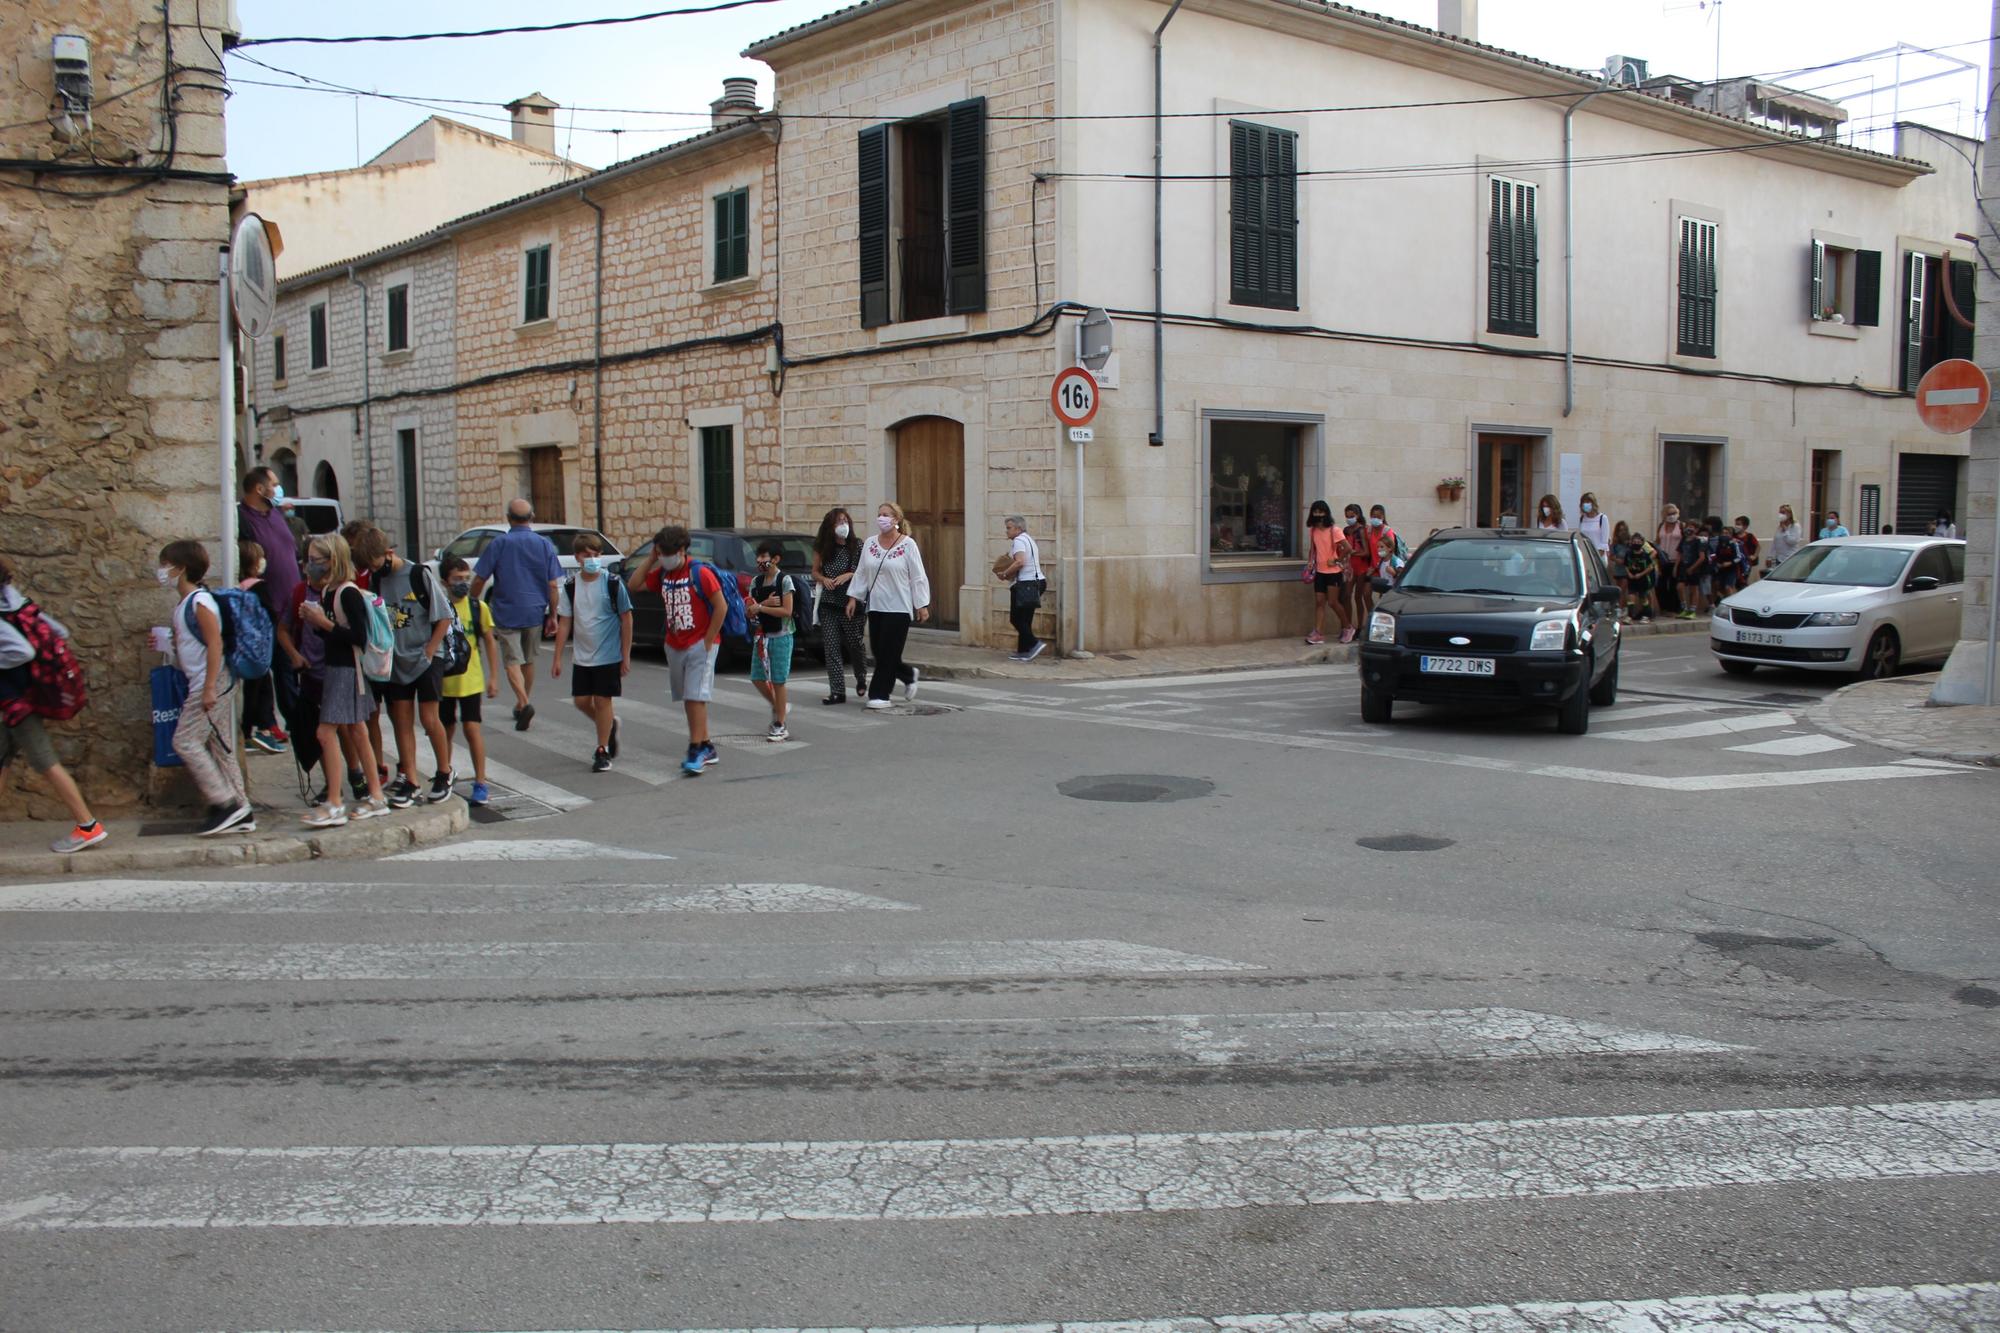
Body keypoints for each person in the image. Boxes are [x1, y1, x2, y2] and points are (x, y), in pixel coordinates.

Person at [0, 556, 106, 853]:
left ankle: (87, 825)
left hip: (19, 703)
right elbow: (60, 632)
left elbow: (21, 651)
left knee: (45, 761)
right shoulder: (18, 603)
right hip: (25, 697)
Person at [349, 526, 454, 807]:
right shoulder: (376, 580)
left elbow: (444, 616)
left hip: (425, 656)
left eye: (375, 564)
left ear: (388, 553)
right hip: (396, 660)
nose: (374, 570)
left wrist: (430, 651)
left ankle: (444, 772)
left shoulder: (418, 574)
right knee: (402, 721)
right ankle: (411, 780)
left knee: (430, 718)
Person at [159, 540, 254, 837]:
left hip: (210, 683)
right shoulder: (188, 603)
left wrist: (209, 687)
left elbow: (216, 643)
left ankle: (225, 803)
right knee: (222, 746)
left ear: (181, 568)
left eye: (165, 565)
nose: (162, 571)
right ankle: (242, 808)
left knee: (185, 741)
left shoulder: (200, 602)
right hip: (206, 682)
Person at [298, 533, 389, 827]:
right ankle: (376, 796)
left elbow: (358, 638)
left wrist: (323, 623)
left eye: (316, 560)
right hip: (337, 667)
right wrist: (315, 622)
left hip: (346, 670)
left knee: (326, 733)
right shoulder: (327, 592)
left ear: (332, 561)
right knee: (357, 730)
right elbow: (332, 635)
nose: (310, 566)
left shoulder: (347, 593)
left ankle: (335, 801)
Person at [630, 524, 728, 776]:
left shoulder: (700, 573)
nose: (664, 557)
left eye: (666, 552)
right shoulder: (663, 573)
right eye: (660, 552)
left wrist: (708, 639)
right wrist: (651, 558)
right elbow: (634, 584)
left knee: (696, 696)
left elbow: (721, 606)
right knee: (688, 697)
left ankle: (695, 749)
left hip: (699, 643)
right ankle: (705, 744)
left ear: (682, 550)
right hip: (675, 643)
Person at [470, 499, 563, 732]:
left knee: (512, 659)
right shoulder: (544, 545)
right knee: (529, 659)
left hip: (506, 609)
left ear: (509, 518)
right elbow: (553, 584)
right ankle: (522, 703)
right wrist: (553, 614)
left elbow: (480, 578)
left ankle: (524, 702)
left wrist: (471, 602)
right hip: (534, 610)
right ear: (531, 517)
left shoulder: (499, 543)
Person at [552, 532, 633, 774]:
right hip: (582, 655)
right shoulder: (570, 586)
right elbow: (565, 621)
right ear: (577, 557)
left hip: (608, 655)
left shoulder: (613, 583)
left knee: (602, 700)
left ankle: (602, 749)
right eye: (586, 555)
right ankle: (609, 726)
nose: (592, 559)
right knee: (581, 702)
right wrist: (557, 657)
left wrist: (625, 654)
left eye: (596, 554)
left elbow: (626, 618)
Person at [237, 466, 303, 748]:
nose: (278, 489)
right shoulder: (242, 519)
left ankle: (291, 722)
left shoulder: (275, 514)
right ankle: (285, 724)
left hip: (292, 605)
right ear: (259, 489)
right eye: (274, 484)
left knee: (293, 668)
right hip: (268, 608)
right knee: (281, 669)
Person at [846, 502, 930, 711]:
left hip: (899, 607)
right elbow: (862, 572)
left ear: (896, 520)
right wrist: (853, 597)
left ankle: (880, 694)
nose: (881, 518)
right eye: (879, 514)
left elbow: (917, 576)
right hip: (876, 606)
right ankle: (907, 674)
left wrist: (921, 604)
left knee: (888, 651)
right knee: (879, 651)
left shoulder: (907, 544)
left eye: (886, 515)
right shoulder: (870, 543)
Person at [438, 556, 499, 805]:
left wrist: (493, 676)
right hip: (444, 681)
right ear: (444, 582)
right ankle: (444, 773)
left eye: (466, 579)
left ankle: (481, 782)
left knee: (472, 728)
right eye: (457, 579)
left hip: (471, 680)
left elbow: (489, 641)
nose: (462, 583)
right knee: (445, 730)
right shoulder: (439, 608)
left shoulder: (478, 607)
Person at [234, 540, 289, 756]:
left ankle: (254, 730)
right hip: (261, 649)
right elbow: (269, 615)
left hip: (246, 648)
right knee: (262, 690)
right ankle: (259, 731)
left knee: (254, 690)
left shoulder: (238, 588)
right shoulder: (259, 587)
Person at [811, 508, 868, 705]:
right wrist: (824, 579)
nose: (842, 525)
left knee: (855, 643)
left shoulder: (857, 545)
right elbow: (815, 572)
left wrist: (849, 575)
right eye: (838, 521)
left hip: (851, 602)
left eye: (845, 520)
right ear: (830, 526)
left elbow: (862, 572)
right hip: (829, 602)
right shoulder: (823, 547)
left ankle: (861, 676)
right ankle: (837, 691)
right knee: (831, 648)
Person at [748, 538, 797, 741]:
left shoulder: (784, 581)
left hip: (782, 636)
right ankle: (780, 706)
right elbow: (749, 609)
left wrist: (761, 607)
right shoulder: (755, 582)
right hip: (762, 636)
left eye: (764, 557)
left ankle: (780, 723)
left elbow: (787, 611)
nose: (760, 560)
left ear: (775, 559)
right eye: (758, 556)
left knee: (778, 680)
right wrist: (760, 606)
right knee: (757, 678)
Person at [998, 514, 1047, 661]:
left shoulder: (1019, 540)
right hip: (1037, 582)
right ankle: (1023, 651)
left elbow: (1020, 562)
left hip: (1025, 584)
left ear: (1018, 528)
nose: (1006, 531)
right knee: (1025, 620)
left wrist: (1005, 573)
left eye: (1009, 528)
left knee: (1016, 619)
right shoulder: (1028, 539)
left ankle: (1034, 643)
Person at [1303, 500, 1352, 645]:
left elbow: (1348, 548)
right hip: (1319, 571)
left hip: (1333, 572)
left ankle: (1348, 627)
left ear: (1326, 513)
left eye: (1321, 511)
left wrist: (1336, 560)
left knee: (1333, 602)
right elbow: (1313, 549)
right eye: (1315, 511)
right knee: (1319, 602)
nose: (1318, 514)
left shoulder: (1334, 530)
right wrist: (1310, 562)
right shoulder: (1313, 530)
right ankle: (1318, 633)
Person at [1342, 503, 1377, 627]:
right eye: (1347, 515)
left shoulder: (1361, 530)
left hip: (1361, 567)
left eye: (1351, 515)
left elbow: (1366, 552)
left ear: (1357, 515)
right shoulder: (1346, 530)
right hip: (1350, 567)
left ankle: (1359, 626)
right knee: (1346, 595)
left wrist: (1353, 552)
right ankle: (1348, 625)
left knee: (1358, 597)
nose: (1349, 518)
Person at [1655, 505, 1686, 617]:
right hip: (1663, 559)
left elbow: (1684, 544)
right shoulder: (1661, 526)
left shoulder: (1681, 526)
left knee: (1674, 585)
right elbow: (1657, 542)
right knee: (1660, 585)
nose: (1671, 516)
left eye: (1674, 513)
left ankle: (1674, 609)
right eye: (1669, 514)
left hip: (1676, 559)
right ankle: (1664, 608)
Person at [1621, 527, 1658, 622]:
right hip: (1632, 579)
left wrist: (1641, 574)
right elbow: (1626, 565)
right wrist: (1629, 573)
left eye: (1638, 542)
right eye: (1634, 541)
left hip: (1643, 579)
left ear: (1642, 543)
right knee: (1631, 597)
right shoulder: (1629, 554)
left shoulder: (1645, 555)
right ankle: (1630, 616)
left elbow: (1650, 567)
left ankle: (1647, 615)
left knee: (1643, 598)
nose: (1636, 544)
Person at [1674, 520, 1708, 618]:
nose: (1689, 528)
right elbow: (1680, 553)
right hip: (1683, 566)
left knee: (1694, 588)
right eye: (1688, 526)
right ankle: (1684, 607)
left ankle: (1692, 610)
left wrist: (1692, 568)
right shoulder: (1684, 540)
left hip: (1694, 567)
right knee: (1679, 587)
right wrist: (1676, 567)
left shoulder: (1699, 541)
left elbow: (1702, 557)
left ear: (1696, 529)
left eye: (1692, 527)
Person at [1770, 504, 1805, 571]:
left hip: (1790, 559)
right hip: (1779, 559)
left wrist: (1785, 531)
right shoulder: (1780, 526)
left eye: (1783, 513)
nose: (1780, 515)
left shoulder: (1795, 526)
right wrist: (1770, 556)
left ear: (1790, 514)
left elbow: (1792, 541)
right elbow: (1775, 542)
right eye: (1780, 512)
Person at [1608, 521, 1632, 607]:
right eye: (1620, 530)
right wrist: (1616, 559)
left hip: (1627, 570)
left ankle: (1622, 608)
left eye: (1624, 530)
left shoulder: (1630, 542)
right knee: (1619, 590)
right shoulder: (1615, 544)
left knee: (1623, 589)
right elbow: (1611, 555)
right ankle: (1620, 607)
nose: (1622, 532)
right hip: (1618, 570)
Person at [1731, 517, 1760, 582]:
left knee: (1743, 579)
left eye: (1738, 524)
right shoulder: (1733, 536)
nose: (1736, 526)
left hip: (1746, 562)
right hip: (1736, 561)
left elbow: (1758, 546)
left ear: (1745, 526)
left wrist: (1754, 556)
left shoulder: (1750, 536)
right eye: (1735, 524)